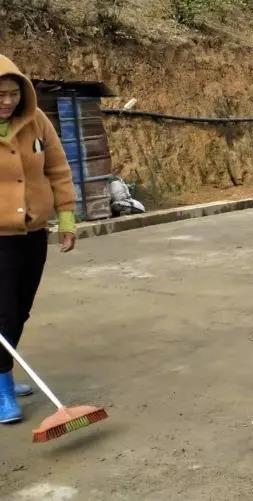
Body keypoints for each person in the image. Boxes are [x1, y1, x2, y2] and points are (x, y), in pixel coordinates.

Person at [0, 54, 78, 423]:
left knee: (22, 309)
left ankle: (2, 370)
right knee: (4, 313)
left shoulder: (36, 121)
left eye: (13, 93)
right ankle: (1, 384)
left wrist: (65, 219)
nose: (7, 101)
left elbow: (58, 169)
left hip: (33, 233)